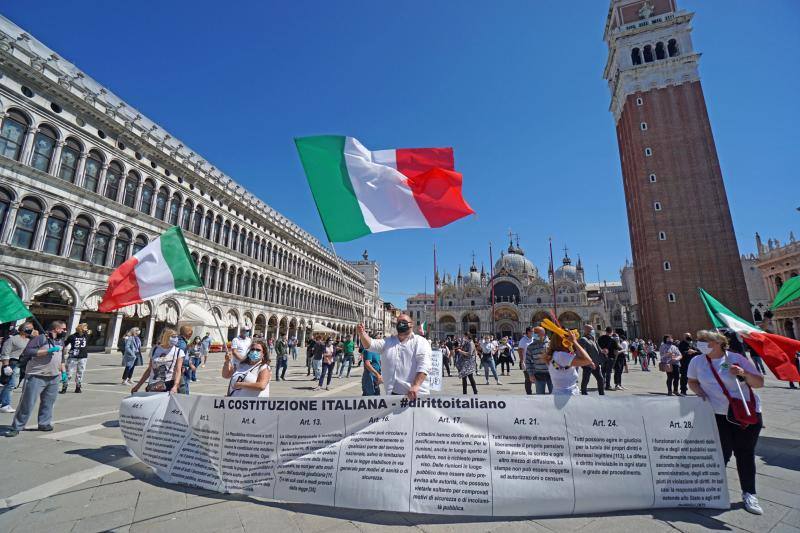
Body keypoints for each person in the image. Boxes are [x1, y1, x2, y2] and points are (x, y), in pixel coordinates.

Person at [687, 330, 764, 515]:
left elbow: (759, 383)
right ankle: (713, 491)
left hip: (744, 413)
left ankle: (749, 493)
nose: (700, 343)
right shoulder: (697, 361)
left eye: (705, 340)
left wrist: (743, 373)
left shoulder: (736, 358)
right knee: (720, 454)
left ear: (718, 342)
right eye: (699, 340)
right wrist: (700, 393)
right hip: (717, 414)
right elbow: (692, 381)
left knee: (745, 453)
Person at [6, 321, 67, 436]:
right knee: (27, 403)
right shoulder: (41, 338)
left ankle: (44, 423)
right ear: (56, 329)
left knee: (49, 402)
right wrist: (47, 351)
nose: (65, 331)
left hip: (54, 376)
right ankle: (17, 426)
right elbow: (28, 352)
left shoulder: (60, 341)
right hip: (36, 375)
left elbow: (61, 358)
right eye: (63, 329)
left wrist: (63, 372)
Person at [356, 313, 432, 399]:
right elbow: (370, 345)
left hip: (416, 394)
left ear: (411, 324)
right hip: (393, 395)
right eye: (398, 321)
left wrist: (416, 385)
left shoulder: (420, 342)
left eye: (404, 321)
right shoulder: (388, 341)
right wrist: (362, 333)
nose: (401, 323)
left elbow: (424, 365)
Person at [131, 328, 184, 395]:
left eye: (176, 337)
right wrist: (138, 386)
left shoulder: (178, 352)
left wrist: (175, 386)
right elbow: (149, 369)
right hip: (153, 385)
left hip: (168, 385)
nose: (175, 339)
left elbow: (178, 371)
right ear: (166, 337)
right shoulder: (155, 349)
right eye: (173, 337)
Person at [1, 321, 35, 413]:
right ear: (24, 329)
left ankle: (2, 402)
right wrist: (6, 366)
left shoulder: (29, 340)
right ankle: (5, 404)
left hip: (22, 364)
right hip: (13, 363)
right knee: (11, 384)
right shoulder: (13, 339)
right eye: (30, 328)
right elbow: (5, 353)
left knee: (11, 384)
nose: (32, 330)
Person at [544, 330, 593, 395]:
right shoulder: (562, 356)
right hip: (568, 394)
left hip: (559, 392)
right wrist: (575, 341)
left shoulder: (555, 354)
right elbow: (588, 360)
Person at [60, 323, 91, 394]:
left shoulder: (86, 336)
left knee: (80, 372)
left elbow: (91, 333)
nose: (86, 329)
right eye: (85, 328)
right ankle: (64, 387)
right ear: (81, 328)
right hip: (73, 357)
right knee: (69, 372)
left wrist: (87, 331)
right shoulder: (72, 336)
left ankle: (78, 387)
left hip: (83, 357)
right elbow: (65, 344)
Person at [578, 324, 605, 395]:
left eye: (592, 329)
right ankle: (584, 394)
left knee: (600, 379)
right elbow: (582, 352)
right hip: (588, 364)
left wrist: (603, 351)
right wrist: (589, 363)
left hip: (596, 363)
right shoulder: (583, 340)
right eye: (591, 329)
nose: (593, 330)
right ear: (586, 330)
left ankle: (602, 394)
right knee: (586, 380)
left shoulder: (593, 339)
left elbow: (598, 349)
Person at [525, 327, 551, 394]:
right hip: (538, 374)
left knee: (554, 394)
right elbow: (528, 362)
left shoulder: (551, 345)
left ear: (543, 333)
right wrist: (530, 374)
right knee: (540, 395)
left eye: (536, 332)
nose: (534, 334)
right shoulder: (531, 346)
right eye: (534, 332)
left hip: (551, 374)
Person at [175, 325, 194, 394]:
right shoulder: (182, 343)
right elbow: (180, 357)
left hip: (181, 367)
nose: (191, 335)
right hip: (183, 368)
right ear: (188, 333)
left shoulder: (178, 340)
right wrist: (183, 366)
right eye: (191, 333)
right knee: (183, 387)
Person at [517, 327, 535, 395]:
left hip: (535, 362)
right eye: (532, 331)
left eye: (533, 331)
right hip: (526, 362)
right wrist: (522, 362)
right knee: (528, 379)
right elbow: (520, 351)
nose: (533, 333)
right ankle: (529, 393)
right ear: (528, 332)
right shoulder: (523, 340)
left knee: (536, 378)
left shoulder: (534, 339)